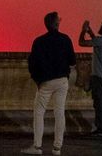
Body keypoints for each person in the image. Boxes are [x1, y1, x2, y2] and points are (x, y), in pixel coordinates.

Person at [24, 11, 75, 156]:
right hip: (62, 80)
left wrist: (37, 80)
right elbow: (72, 61)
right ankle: (57, 148)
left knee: (39, 112)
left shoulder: (39, 41)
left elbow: (32, 63)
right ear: (57, 23)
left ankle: (37, 146)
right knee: (59, 112)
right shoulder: (65, 39)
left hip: (45, 81)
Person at [79, 18, 102, 135]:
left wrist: (82, 31)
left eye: (101, 25)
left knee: (99, 104)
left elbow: (81, 43)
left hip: (99, 77)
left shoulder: (101, 41)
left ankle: (101, 129)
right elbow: (96, 41)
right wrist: (89, 32)